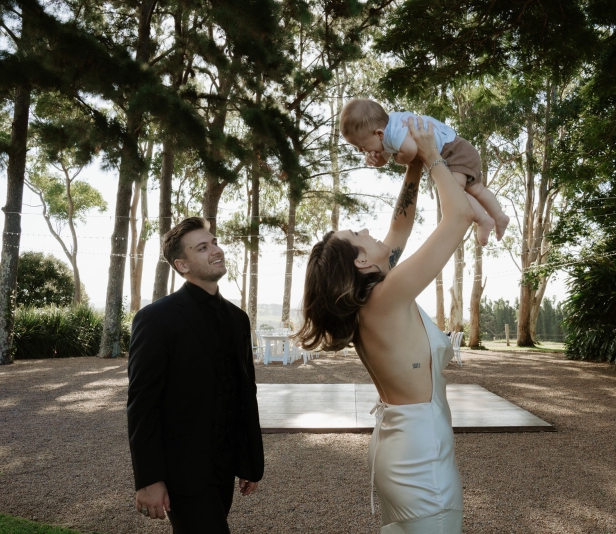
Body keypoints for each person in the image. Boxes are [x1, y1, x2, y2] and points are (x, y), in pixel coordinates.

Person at [296, 117, 475, 533]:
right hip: (422, 461)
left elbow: (400, 225)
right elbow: (460, 216)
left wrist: (412, 164)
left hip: (401, 445)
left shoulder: (372, 298)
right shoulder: (386, 297)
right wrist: (433, 156)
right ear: (361, 260)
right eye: (357, 233)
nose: (367, 228)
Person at [127, 217, 264, 534]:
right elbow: (142, 405)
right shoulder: (155, 319)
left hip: (224, 467)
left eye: (214, 242)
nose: (216, 250)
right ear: (182, 265)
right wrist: (148, 479)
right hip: (182, 471)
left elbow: (246, 393)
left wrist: (249, 461)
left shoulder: (238, 319)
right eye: (202, 248)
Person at [340, 97, 510, 246]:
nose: (361, 151)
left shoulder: (395, 133)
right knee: (476, 189)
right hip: (461, 148)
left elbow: (410, 150)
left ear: (379, 134)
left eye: (361, 146)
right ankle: (499, 215)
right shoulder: (387, 129)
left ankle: (483, 220)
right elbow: (384, 159)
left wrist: (398, 159)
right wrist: (376, 160)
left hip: (453, 151)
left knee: (455, 191)